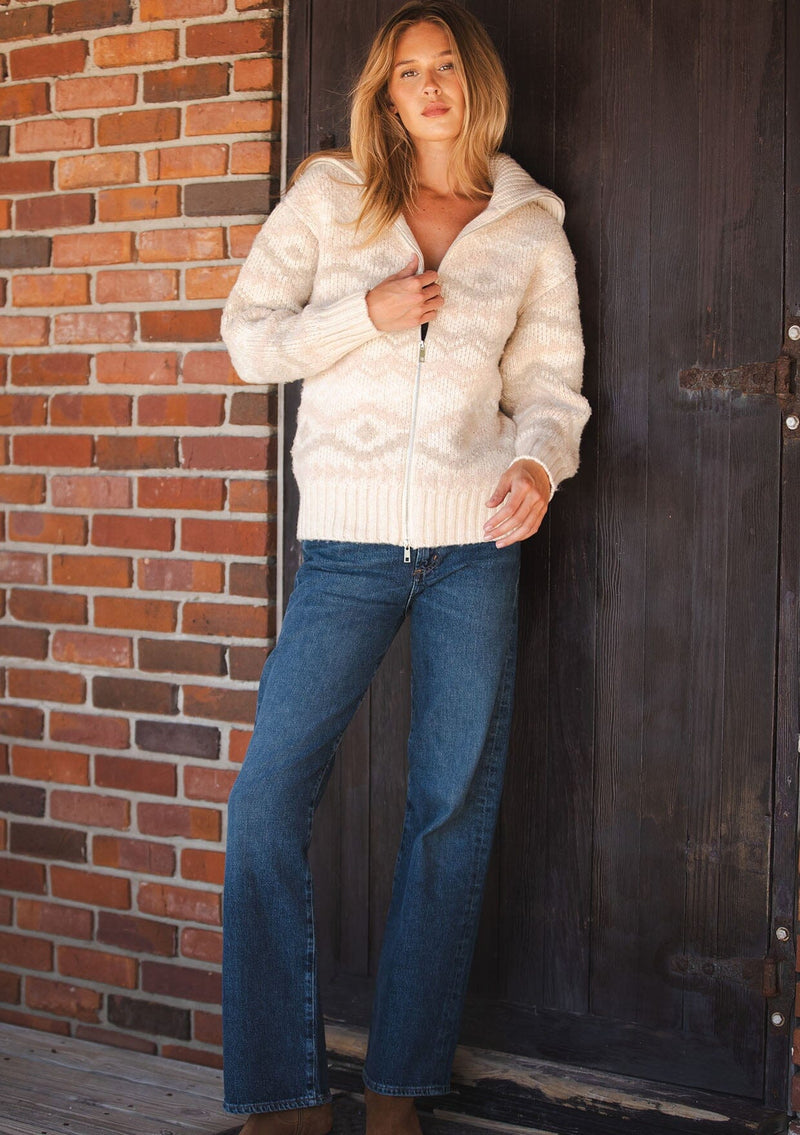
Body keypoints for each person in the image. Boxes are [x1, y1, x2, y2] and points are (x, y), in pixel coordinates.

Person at [219, 2, 590, 1132]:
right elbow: (248, 339)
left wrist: (535, 467)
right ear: (384, 96)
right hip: (345, 548)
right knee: (264, 804)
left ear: (474, 84)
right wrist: (364, 313)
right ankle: (282, 1093)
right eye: (405, 74)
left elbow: (552, 392)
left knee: (443, 815)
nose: (427, 89)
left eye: (443, 68)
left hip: (474, 546)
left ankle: (398, 1094)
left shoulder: (528, 226)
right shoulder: (332, 197)